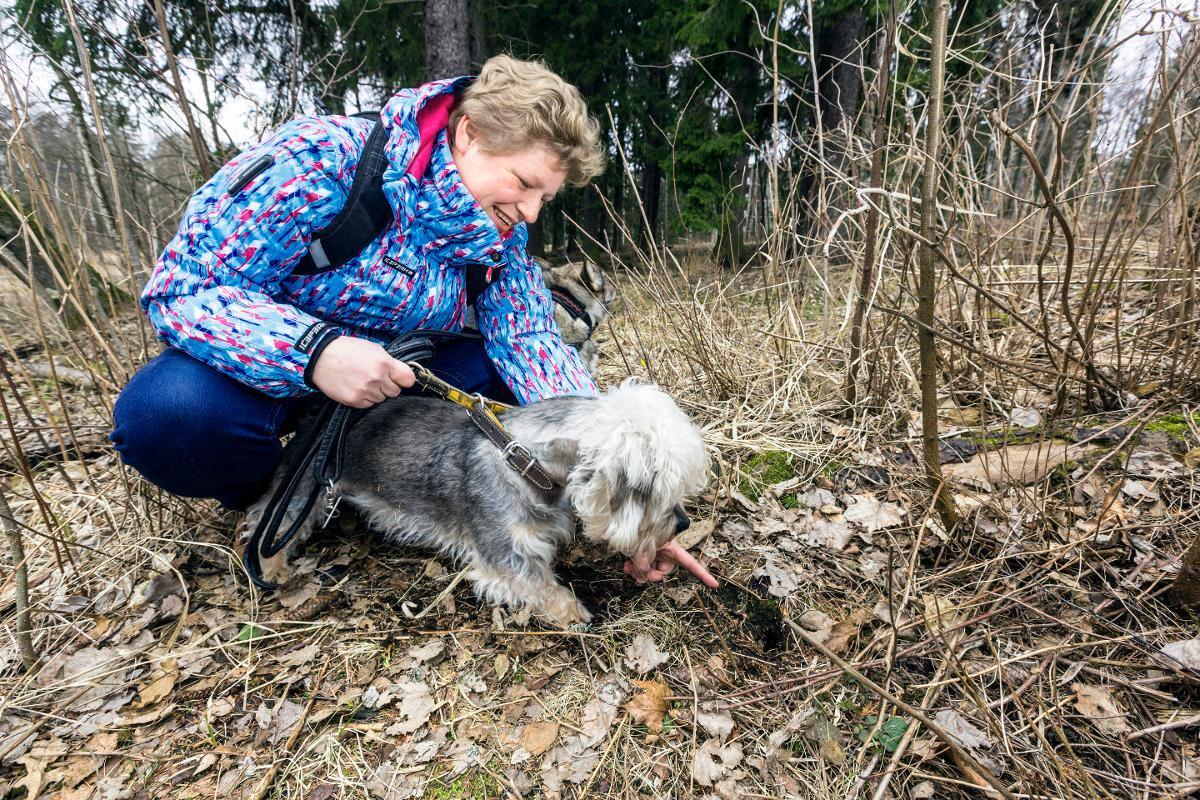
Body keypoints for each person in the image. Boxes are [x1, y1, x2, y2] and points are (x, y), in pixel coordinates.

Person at [110, 54, 714, 589]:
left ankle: (387, 476)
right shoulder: (319, 161)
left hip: (401, 381)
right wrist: (314, 351)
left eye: (544, 199)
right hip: (274, 375)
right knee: (168, 417)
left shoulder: (499, 236)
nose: (528, 212)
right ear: (470, 135)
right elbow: (185, 286)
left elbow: (529, 342)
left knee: (503, 383)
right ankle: (282, 486)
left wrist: (627, 487)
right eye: (525, 184)